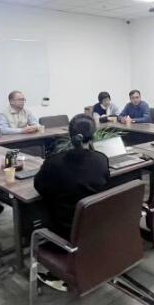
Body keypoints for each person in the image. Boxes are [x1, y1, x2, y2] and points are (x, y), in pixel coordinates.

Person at [34, 114, 110, 290]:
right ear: (93, 135)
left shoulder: (53, 162)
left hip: (66, 230)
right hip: (96, 226)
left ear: (69, 134)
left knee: (35, 209)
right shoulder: (101, 159)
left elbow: (39, 186)